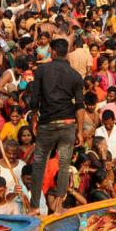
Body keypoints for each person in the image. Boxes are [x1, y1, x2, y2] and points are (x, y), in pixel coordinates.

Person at [26, 38, 83, 214]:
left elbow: (34, 99)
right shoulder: (75, 75)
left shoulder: (42, 70)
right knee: (64, 165)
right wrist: (80, 131)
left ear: (53, 52)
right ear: (67, 52)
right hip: (68, 124)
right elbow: (79, 106)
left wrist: (34, 117)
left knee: (39, 164)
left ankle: (35, 206)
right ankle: (59, 206)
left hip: (48, 123)